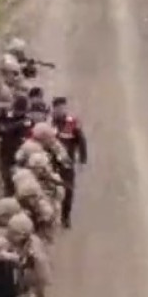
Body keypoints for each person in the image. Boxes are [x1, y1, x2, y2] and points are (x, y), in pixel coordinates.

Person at [4, 212, 52, 297]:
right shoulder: (19, 241)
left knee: (40, 296)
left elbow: (41, 270)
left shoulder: (34, 249)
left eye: (13, 233)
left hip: (34, 277)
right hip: (24, 276)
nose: (9, 235)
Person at [50, 96, 88, 227]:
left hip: (67, 163)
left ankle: (65, 217)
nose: (61, 110)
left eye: (63, 107)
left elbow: (81, 141)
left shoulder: (71, 123)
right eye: (58, 108)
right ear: (54, 109)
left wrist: (83, 160)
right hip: (50, 162)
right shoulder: (49, 123)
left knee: (68, 191)